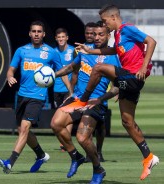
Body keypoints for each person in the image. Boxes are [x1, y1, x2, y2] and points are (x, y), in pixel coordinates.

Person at [72, 4, 160, 180]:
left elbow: (151, 41)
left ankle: (82, 101)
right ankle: (149, 157)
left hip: (133, 76)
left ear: (113, 18)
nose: (104, 26)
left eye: (105, 22)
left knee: (97, 68)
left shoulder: (127, 29)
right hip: (128, 80)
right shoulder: (119, 35)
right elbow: (113, 50)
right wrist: (90, 50)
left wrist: (143, 67)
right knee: (127, 122)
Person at [0, 20, 71, 174]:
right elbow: (11, 69)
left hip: (38, 96)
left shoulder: (51, 52)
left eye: (39, 32)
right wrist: (9, 76)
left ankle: (10, 162)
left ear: (43, 34)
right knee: (22, 130)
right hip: (21, 95)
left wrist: (70, 90)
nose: (36, 34)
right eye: (34, 31)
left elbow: (63, 71)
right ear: (29, 33)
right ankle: (41, 155)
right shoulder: (21, 50)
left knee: (24, 128)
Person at [52, 21, 120, 183]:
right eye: (94, 34)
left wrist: (102, 99)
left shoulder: (113, 58)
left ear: (108, 36)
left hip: (94, 102)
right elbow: (70, 68)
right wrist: (52, 75)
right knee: (56, 124)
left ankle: (98, 168)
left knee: (82, 138)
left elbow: (117, 87)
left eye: (101, 34)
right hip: (77, 98)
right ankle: (75, 157)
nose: (96, 37)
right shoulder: (84, 51)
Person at [77, 22, 107, 162]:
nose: (93, 36)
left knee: (100, 127)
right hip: (82, 97)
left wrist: (117, 89)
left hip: (99, 99)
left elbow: (117, 77)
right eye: (91, 34)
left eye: (97, 34)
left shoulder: (111, 54)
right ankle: (87, 155)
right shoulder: (82, 50)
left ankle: (98, 152)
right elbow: (74, 68)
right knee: (82, 131)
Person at [53, 28, 76, 151]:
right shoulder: (53, 52)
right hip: (57, 89)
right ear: (56, 39)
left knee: (69, 115)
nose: (61, 39)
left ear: (67, 37)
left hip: (70, 89)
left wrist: (72, 88)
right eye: (59, 37)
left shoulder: (73, 51)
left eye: (63, 37)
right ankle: (64, 140)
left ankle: (65, 143)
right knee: (59, 116)